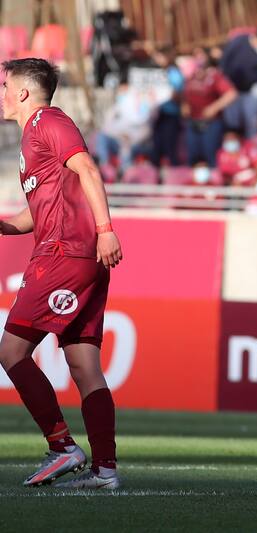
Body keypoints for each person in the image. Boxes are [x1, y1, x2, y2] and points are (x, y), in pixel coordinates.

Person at [0, 58, 123, 489]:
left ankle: (62, 446)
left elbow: (88, 168)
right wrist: (4, 224)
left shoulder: (48, 121)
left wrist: (106, 231)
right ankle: (105, 471)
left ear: (22, 93)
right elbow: (35, 213)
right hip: (73, 253)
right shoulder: (33, 136)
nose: (1, 93)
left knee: (12, 352)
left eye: (4, 85)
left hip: (65, 254)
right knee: (84, 363)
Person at [182, 48, 237, 168]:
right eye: (195, 56)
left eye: (201, 56)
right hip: (193, 122)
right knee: (193, 155)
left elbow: (231, 93)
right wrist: (184, 104)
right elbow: (185, 94)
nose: (198, 59)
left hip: (211, 123)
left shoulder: (214, 76)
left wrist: (214, 107)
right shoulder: (190, 76)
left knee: (210, 154)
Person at [219, 28, 257, 138]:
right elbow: (224, 59)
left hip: (252, 86)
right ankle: (234, 143)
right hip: (233, 87)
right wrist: (224, 81)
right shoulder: (239, 41)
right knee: (232, 120)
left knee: (253, 120)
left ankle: (252, 144)